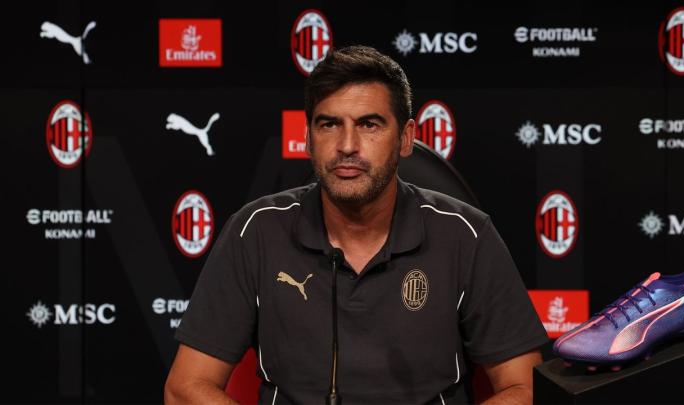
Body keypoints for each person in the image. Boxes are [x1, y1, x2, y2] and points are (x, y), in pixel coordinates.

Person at [165, 45, 548, 405]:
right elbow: (185, 388)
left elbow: (526, 387)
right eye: (329, 124)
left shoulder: (466, 235)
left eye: (369, 124)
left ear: (406, 138)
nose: (347, 145)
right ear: (308, 139)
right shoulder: (255, 231)